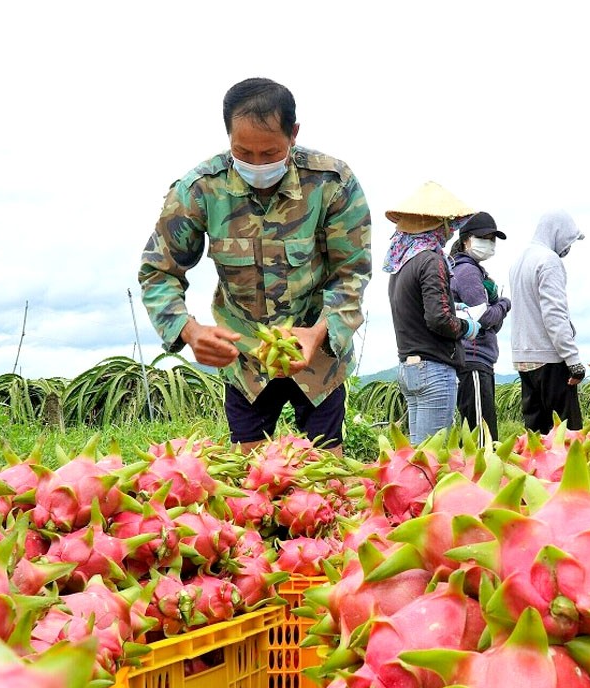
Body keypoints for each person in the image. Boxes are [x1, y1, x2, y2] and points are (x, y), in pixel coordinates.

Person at [138, 77, 371, 455]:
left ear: (293, 134)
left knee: (327, 477)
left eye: (270, 153)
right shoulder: (200, 190)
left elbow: (351, 274)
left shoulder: (332, 185)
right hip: (243, 358)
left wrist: (319, 333)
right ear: (228, 137)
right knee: (250, 483)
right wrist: (188, 330)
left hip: (318, 357)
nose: (257, 165)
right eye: (243, 153)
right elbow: (158, 272)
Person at [385, 181, 480, 446]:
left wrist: (452, 306)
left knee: (419, 452)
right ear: (437, 224)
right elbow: (438, 319)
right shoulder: (431, 259)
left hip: (409, 366)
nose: (450, 229)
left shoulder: (401, 262)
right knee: (432, 457)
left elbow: (416, 307)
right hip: (433, 369)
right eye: (448, 223)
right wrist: (466, 327)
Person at [508, 209, 586, 434]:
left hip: (524, 359)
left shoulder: (520, 261)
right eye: (568, 240)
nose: (567, 247)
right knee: (567, 437)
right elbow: (555, 315)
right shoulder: (548, 261)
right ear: (557, 233)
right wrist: (573, 360)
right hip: (550, 360)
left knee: (536, 437)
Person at [449, 211, 511, 443]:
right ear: (466, 240)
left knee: (478, 432)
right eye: (483, 237)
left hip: (477, 359)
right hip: (473, 358)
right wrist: (505, 303)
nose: (489, 243)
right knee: (482, 438)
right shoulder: (468, 271)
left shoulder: (469, 269)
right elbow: (485, 318)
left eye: (493, 239)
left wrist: (495, 310)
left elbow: (491, 322)